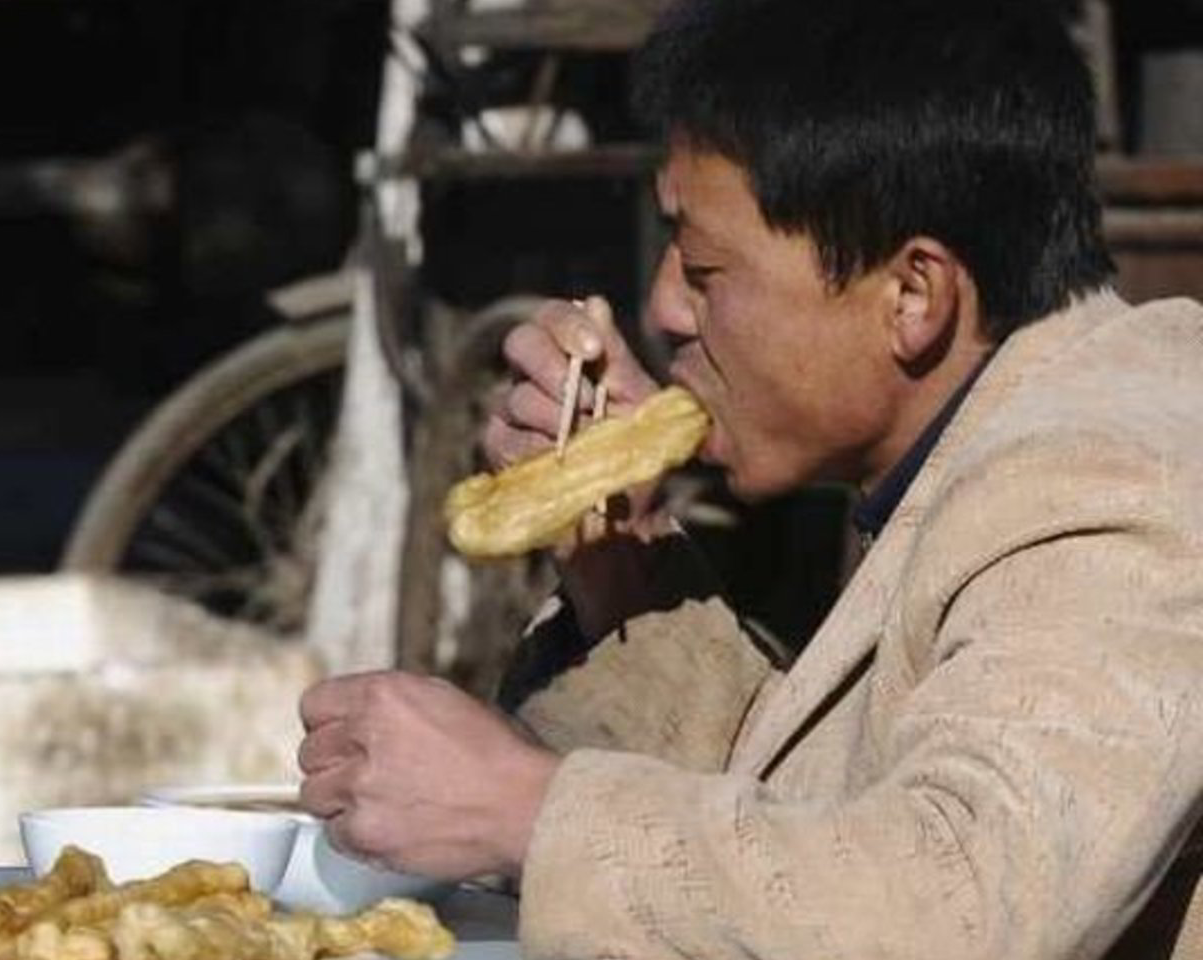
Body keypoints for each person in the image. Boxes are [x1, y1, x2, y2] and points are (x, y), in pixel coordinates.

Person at [296, 0, 1203, 956]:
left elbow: (959, 906)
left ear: (913, 294)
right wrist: (622, 562)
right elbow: (797, 830)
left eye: (704, 269)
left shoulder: (1113, 486)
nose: (662, 310)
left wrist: (522, 809)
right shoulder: (985, 438)